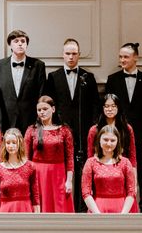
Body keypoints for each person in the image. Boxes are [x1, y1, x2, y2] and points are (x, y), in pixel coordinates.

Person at [43, 37, 98, 208]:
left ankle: (83, 207)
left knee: (83, 169)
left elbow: (95, 105)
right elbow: (48, 105)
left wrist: (92, 128)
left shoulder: (88, 77)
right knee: (62, 169)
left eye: (74, 53)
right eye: (68, 53)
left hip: (83, 130)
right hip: (60, 131)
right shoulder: (53, 77)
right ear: (63, 55)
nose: (71, 57)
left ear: (79, 55)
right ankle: (63, 207)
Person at [103, 42, 142, 211]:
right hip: (118, 136)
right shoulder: (112, 79)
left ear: (136, 58)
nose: (122, 60)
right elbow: (108, 110)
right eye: (120, 57)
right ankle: (122, 209)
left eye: (126, 56)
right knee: (119, 173)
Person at [25, 95, 74, 213]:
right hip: (38, 174)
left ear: (53, 109)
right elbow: (26, 158)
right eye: (39, 110)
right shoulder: (32, 130)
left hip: (58, 175)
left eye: (45, 109)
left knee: (59, 206)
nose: (42, 112)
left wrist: (69, 181)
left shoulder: (64, 131)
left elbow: (70, 158)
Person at [0, 29, 46, 133]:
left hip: (31, 121)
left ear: (27, 44)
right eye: (16, 41)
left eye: (23, 41)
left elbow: (41, 94)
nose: (20, 44)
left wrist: (39, 121)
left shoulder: (38, 65)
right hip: (6, 121)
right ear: (10, 45)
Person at [81, 126, 135, 214]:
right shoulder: (90, 162)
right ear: (99, 140)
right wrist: (97, 214)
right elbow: (86, 192)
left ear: (117, 142)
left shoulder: (125, 162)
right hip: (97, 209)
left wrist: (123, 214)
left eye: (112, 140)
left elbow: (131, 192)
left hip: (121, 209)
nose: (109, 143)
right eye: (105, 140)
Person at [0, 128, 39, 213]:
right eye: (8, 143)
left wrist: (37, 216)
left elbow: (35, 197)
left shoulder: (30, 166)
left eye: (14, 142)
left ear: (20, 143)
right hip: (6, 212)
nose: (11, 146)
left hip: (25, 211)